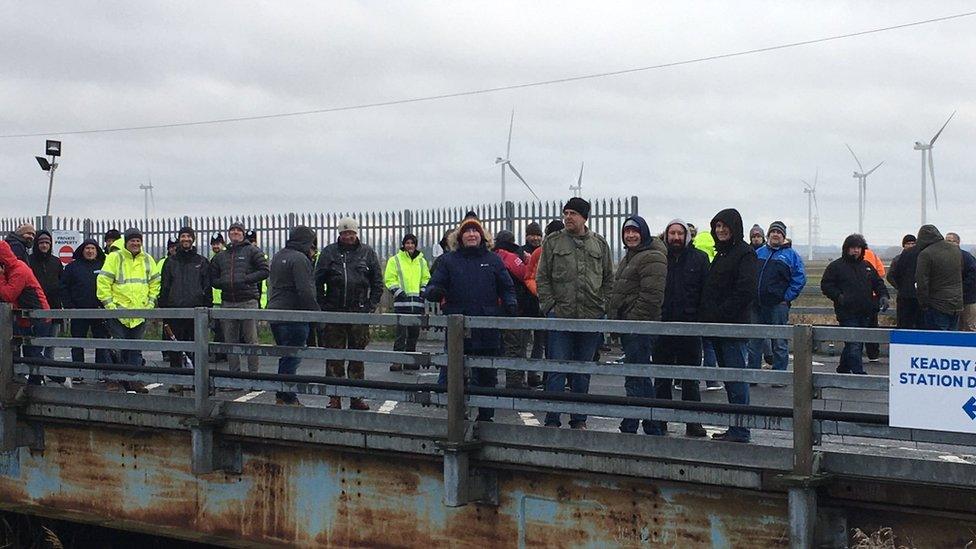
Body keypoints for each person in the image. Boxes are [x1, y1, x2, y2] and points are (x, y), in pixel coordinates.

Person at [424, 217, 516, 422]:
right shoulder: (449, 261)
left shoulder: (493, 260)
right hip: (458, 329)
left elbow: (507, 286)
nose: (472, 234)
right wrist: (435, 292)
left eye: (475, 231)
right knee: (456, 375)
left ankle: (486, 417)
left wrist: (510, 303)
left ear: (482, 236)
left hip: (487, 327)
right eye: (467, 231)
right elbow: (433, 285)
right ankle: (457, 418)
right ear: (460, 237)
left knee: (487, 375)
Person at [537, 197, 614, 430]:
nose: (568, 217)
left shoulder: (599, 244)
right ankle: (552, 419)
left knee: (583, 371)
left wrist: (603, 307)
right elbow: (543, 277)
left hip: (590, 317)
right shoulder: (553, 242)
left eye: (573, 213)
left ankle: (579, 419)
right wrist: (550, 307)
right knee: (557, 370)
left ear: (584, 217)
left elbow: (608, 278)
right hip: (561, 316)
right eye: (566, 212)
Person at [699, 209, 757, 443]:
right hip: (718, 327)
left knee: (736, 379)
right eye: (717, 226)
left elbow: (745, 290)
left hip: (732, 327)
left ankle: (741, 429)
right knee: (730, 380)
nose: (720, 230)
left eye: (725, 226)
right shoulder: (723, 253)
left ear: (735, 227)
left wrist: (721, 313)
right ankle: (736, 426)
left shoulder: (745, 254)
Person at [315, 217, 383, 410]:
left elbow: (377, 283)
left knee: (357, 357)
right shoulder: (329, 253)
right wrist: (324, 305)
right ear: (339, 234)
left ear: (356, 233)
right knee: (334, 357)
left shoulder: (367, 253)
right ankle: (334, 398)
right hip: (334, 313)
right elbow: (317, 280)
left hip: (358, 313)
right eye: (345, 233)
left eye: (351, 233)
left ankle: (356, 397)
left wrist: (370, 306)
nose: (348, 236)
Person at [608, 215, 666, 435]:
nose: (630, 235)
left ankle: (645, 425)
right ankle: (638, 423)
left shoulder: (651, 257)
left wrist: (632, 319)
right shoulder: (632, 256)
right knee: (636, 376)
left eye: (634, 231)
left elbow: (652, 297)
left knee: (637, 376)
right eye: (627, 231)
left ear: (643, 233)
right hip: (630, 325)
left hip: (639, 327)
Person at [652, 219, 709, 437]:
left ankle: (693, 422)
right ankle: (661, 421)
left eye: (679, 233)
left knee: (690, 378)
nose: (676, 237)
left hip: (690, 326)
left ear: (686, 236)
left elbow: (706, 292)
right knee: (662, 378)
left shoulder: (700, 259)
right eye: (672, 233)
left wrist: (700, 319)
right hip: (662, 325)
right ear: (666, 235)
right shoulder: (658, 258)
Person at [96, 228, 160, 392]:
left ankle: (134, 380)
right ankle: (114, 380)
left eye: (138, 240)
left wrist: (150, 305)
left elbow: (155, 283)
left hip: (140, 313)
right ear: (126, 242)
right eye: (132, 240)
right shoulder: (115, 258)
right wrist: (111, 307)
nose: (136, 243)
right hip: (118, 313)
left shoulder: (147, 259)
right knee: (116, 349)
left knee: (135, 349)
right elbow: (103, 282)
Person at [821, 234, 889, 375]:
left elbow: (878, 283)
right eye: (852, 248)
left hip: (866, 311)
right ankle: (858, 373)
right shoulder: (836, 266)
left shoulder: (867, 266)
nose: (856, 251)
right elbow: (826, 285)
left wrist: (883, 296)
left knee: (855, 342)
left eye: (858, 248)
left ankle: (843, 368)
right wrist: (839, 296)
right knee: (854, 342)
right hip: (847, 311)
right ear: (846, 249)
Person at [268, 226, 320, 406]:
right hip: (293, 313)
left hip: (275, 310)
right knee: (293, 355)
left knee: (285, 354)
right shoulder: (300, 259)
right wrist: (316, 316)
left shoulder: (279, 256)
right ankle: (286, 396)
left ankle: (283, 396)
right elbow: (305, 291)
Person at [210, 222, 269, 374]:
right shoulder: (221, 256)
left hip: (248, 301)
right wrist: (222, 283)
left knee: (251, 341)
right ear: (228, 234)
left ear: (243, 234)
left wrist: (246, 279)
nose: (235, 232)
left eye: (238, 230)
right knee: (230, 342)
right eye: (232, 230)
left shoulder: (252, 251)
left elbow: (264, 270)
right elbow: (212, 278)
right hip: (228, 302)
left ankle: (253, 374)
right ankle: (234, 375)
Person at [748, 221, 806, 377]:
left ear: (783, 237)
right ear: (768, 235)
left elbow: (799, 279)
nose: (775, 234)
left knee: (779, 342)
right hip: (756, 304)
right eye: (773, 231)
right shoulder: (759, 253)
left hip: (777, 305)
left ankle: (779, 375)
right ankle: (752, 375)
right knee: (754, 342)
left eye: (779, 232)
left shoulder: (791, 256)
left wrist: (786, 297)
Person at [158, 227, 211, 376]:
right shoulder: (170, 262)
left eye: (188, 236)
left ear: (193, 239)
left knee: (197, 348)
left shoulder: (202, 261)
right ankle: (178, 381)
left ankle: (197, 379)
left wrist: (207, 309)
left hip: (197, 313)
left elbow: (207, 288)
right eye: (183, 236)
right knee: (175, 349)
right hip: (175, 312)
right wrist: (164, 310)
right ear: (179, 239)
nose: (185, 239)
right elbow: (165, 287)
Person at [0, 240, 51, 382]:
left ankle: (58, 376)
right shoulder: (13, 269)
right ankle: (35, 386)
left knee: (33, 354)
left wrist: (0, 277)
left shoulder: (19, 270)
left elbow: (8, 295)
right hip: (27, 317)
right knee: (30, 354)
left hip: (38, 317)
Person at [60, 239, 111, 365]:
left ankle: (101, 371)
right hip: (79, 312)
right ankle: (78, 371)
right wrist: (69, 306)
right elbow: (63, 287)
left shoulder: (104, 265)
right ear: (82, 250)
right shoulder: (72, 267)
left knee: (101, 342)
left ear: (97, 250)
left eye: (93, 248)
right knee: (77, 342)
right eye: (87, 248)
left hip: (99, 311)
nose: (90, 251)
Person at [384, 233, 431, 371]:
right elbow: (389, 278)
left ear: (415, 245)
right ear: (403, 245)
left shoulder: (422, 261)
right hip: (401, 303)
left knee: (413, 334)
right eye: (407, 243)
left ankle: (410, 360)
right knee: (400, 334)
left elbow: (426, 278)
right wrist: (398, 292)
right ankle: (397, 361)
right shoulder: (395, 260)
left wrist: (423, 291)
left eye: (412, 243)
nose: (410, 245)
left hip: (417, 303)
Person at [494, 230, 533, 388]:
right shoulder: (512, 257)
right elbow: (525, 275)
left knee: (492, 345)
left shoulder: (490, 256)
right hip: (512, 307)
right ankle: (514, 380)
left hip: (492, 307)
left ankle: (490, 377)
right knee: (514, 346)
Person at [915, 225, 962, 331]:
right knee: (952, 338)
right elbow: (960, 272)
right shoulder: (955, 250)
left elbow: (922, 281)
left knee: (937, 340)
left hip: (936, 303)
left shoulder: (926, 254)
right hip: (957, 302)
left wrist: (923, 303)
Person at [28, 231, 65, 362]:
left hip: (54, 306)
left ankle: (51, 367)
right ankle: (38, 370)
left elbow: (62, 282)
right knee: (37, 342)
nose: (44, 245)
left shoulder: (56, 262)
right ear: (36, 244)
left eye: (47, 243)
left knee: (51, 342)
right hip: (36, 306)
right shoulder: (29, 261)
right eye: (41, 243)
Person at [887, 234, 921, 329]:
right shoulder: (898, 259)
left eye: (913, 243)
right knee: (903, 323)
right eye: (908, 243)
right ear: (903, 245)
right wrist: (900, 287)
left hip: (918, 297)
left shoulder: (920, 258)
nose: (910, 245)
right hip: (904, 297)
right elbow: (891, 276)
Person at [945, 232, 976, 331]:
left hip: (968, 299)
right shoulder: (943, 257)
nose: (948, 243)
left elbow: (973, 275)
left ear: (957, 242)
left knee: (968, 326)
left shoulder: (966, 257)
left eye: (951, 241)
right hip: (951, 300)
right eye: (946, 241)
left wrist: (961, 288)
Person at [862, 244, 887, 361]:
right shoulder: (873, 255)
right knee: (872, 324)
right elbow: (881, 272)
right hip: (873, 296)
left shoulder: (850, 256)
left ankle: (856, 352)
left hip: (858, 296)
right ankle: (873, 354)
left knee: (857, 325)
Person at [208, 233, 227, 362]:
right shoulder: (211, 259)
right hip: (214, 300)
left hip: (224, 299)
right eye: (214, 244)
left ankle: (219, 353)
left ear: (223, 244)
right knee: (217, 329)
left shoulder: (225, 259)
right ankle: (221, 353)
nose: (216, 246)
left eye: (218, 243)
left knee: (222, 329)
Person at [244, 229, 269, 308]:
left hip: (262, 297)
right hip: (249, 296)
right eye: (249, 241)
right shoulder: (243, 256)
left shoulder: (261, 256)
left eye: (252, 241)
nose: (251, 244)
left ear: (256, 242)